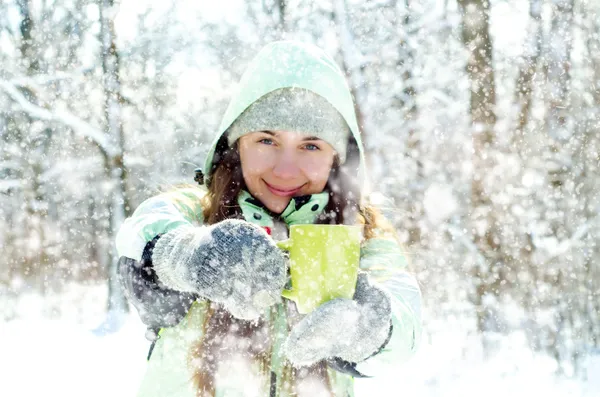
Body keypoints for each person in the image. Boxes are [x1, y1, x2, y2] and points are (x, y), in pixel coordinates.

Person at [116, 40, 422, 397]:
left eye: (311, 145)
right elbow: (140, 243)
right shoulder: (193, 213)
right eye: (266, 140)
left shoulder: (362, 236)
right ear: (236, 147)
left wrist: (368, 327)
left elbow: (405, 324)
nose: (285, 168)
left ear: (335, 159)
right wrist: (190, 256)